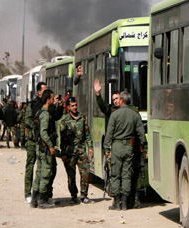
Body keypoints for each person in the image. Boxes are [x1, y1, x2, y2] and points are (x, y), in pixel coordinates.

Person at [94, 78, 147, 208]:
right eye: (113, 100)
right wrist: (145, 147)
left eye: (117, 99)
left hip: (117, 147)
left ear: (121, 100)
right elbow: (141, 133)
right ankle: (125, 203)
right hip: (130, 146)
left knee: (116, 174)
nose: (115, 101)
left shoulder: (115, 114)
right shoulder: (135, 114)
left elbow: (109, 133)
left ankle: (117, 202)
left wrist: (106, 148)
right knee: (127, 174)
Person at [24, 82, 63, 204]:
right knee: (38, 168)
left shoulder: (47, 108)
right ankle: (33, 195)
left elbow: (55, 116)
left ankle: (43, 195)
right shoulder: (36, 106)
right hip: (37, 141)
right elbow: (30, 122)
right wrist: (39, 128)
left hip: (42, 142)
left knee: (46, 169)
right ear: (39, 93)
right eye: (44, 91)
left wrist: (59, 106)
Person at [59, 97, 94, 204]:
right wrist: (63, 153)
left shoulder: (82, 118)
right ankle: (74, 195)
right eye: (72, 106)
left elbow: (87, 134)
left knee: (85, 173)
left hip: (81, 150)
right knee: (71, 176)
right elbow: (62, 138)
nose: (74, 107)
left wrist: (90, 147)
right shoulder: (64, 120)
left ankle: (84, 195)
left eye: (75, 105)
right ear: (68, 107)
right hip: (70, 152)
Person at [30, 89, 57, 209]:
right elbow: (43, 132)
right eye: (52, 98)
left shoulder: (39, 112)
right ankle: (42, 200)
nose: (53, 100)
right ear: (47, 100)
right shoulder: (45, 114)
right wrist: (51, 146)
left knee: (39, 173)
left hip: (39, 147)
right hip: (45, 148)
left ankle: (34, 199)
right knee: (46, 173)